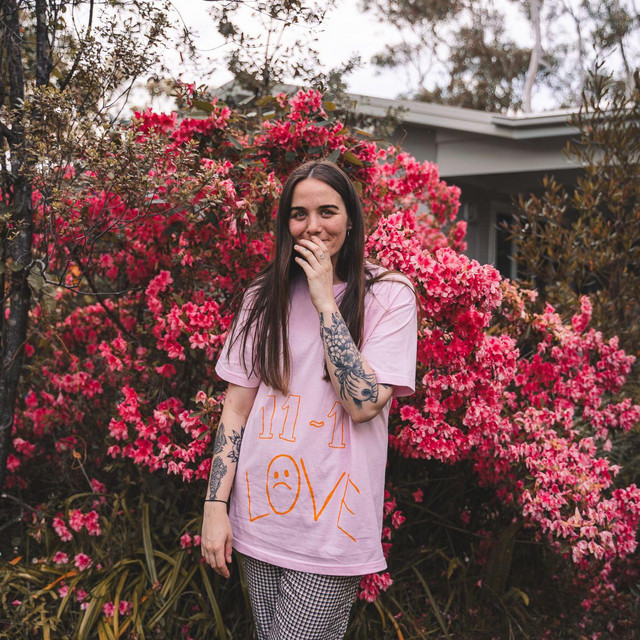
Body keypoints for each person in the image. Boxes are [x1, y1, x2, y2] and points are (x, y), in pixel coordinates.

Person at [200, 160, 418, 640]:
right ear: (286, 224)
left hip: (332, 531)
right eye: (299, 214)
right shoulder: (263, 297)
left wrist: (324, 299)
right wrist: (215, 506)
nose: (313, 225)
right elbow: (235, 409)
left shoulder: (389, 295)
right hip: (258, 520)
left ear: (351, 219)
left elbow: (363, 403)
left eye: (327, 211)